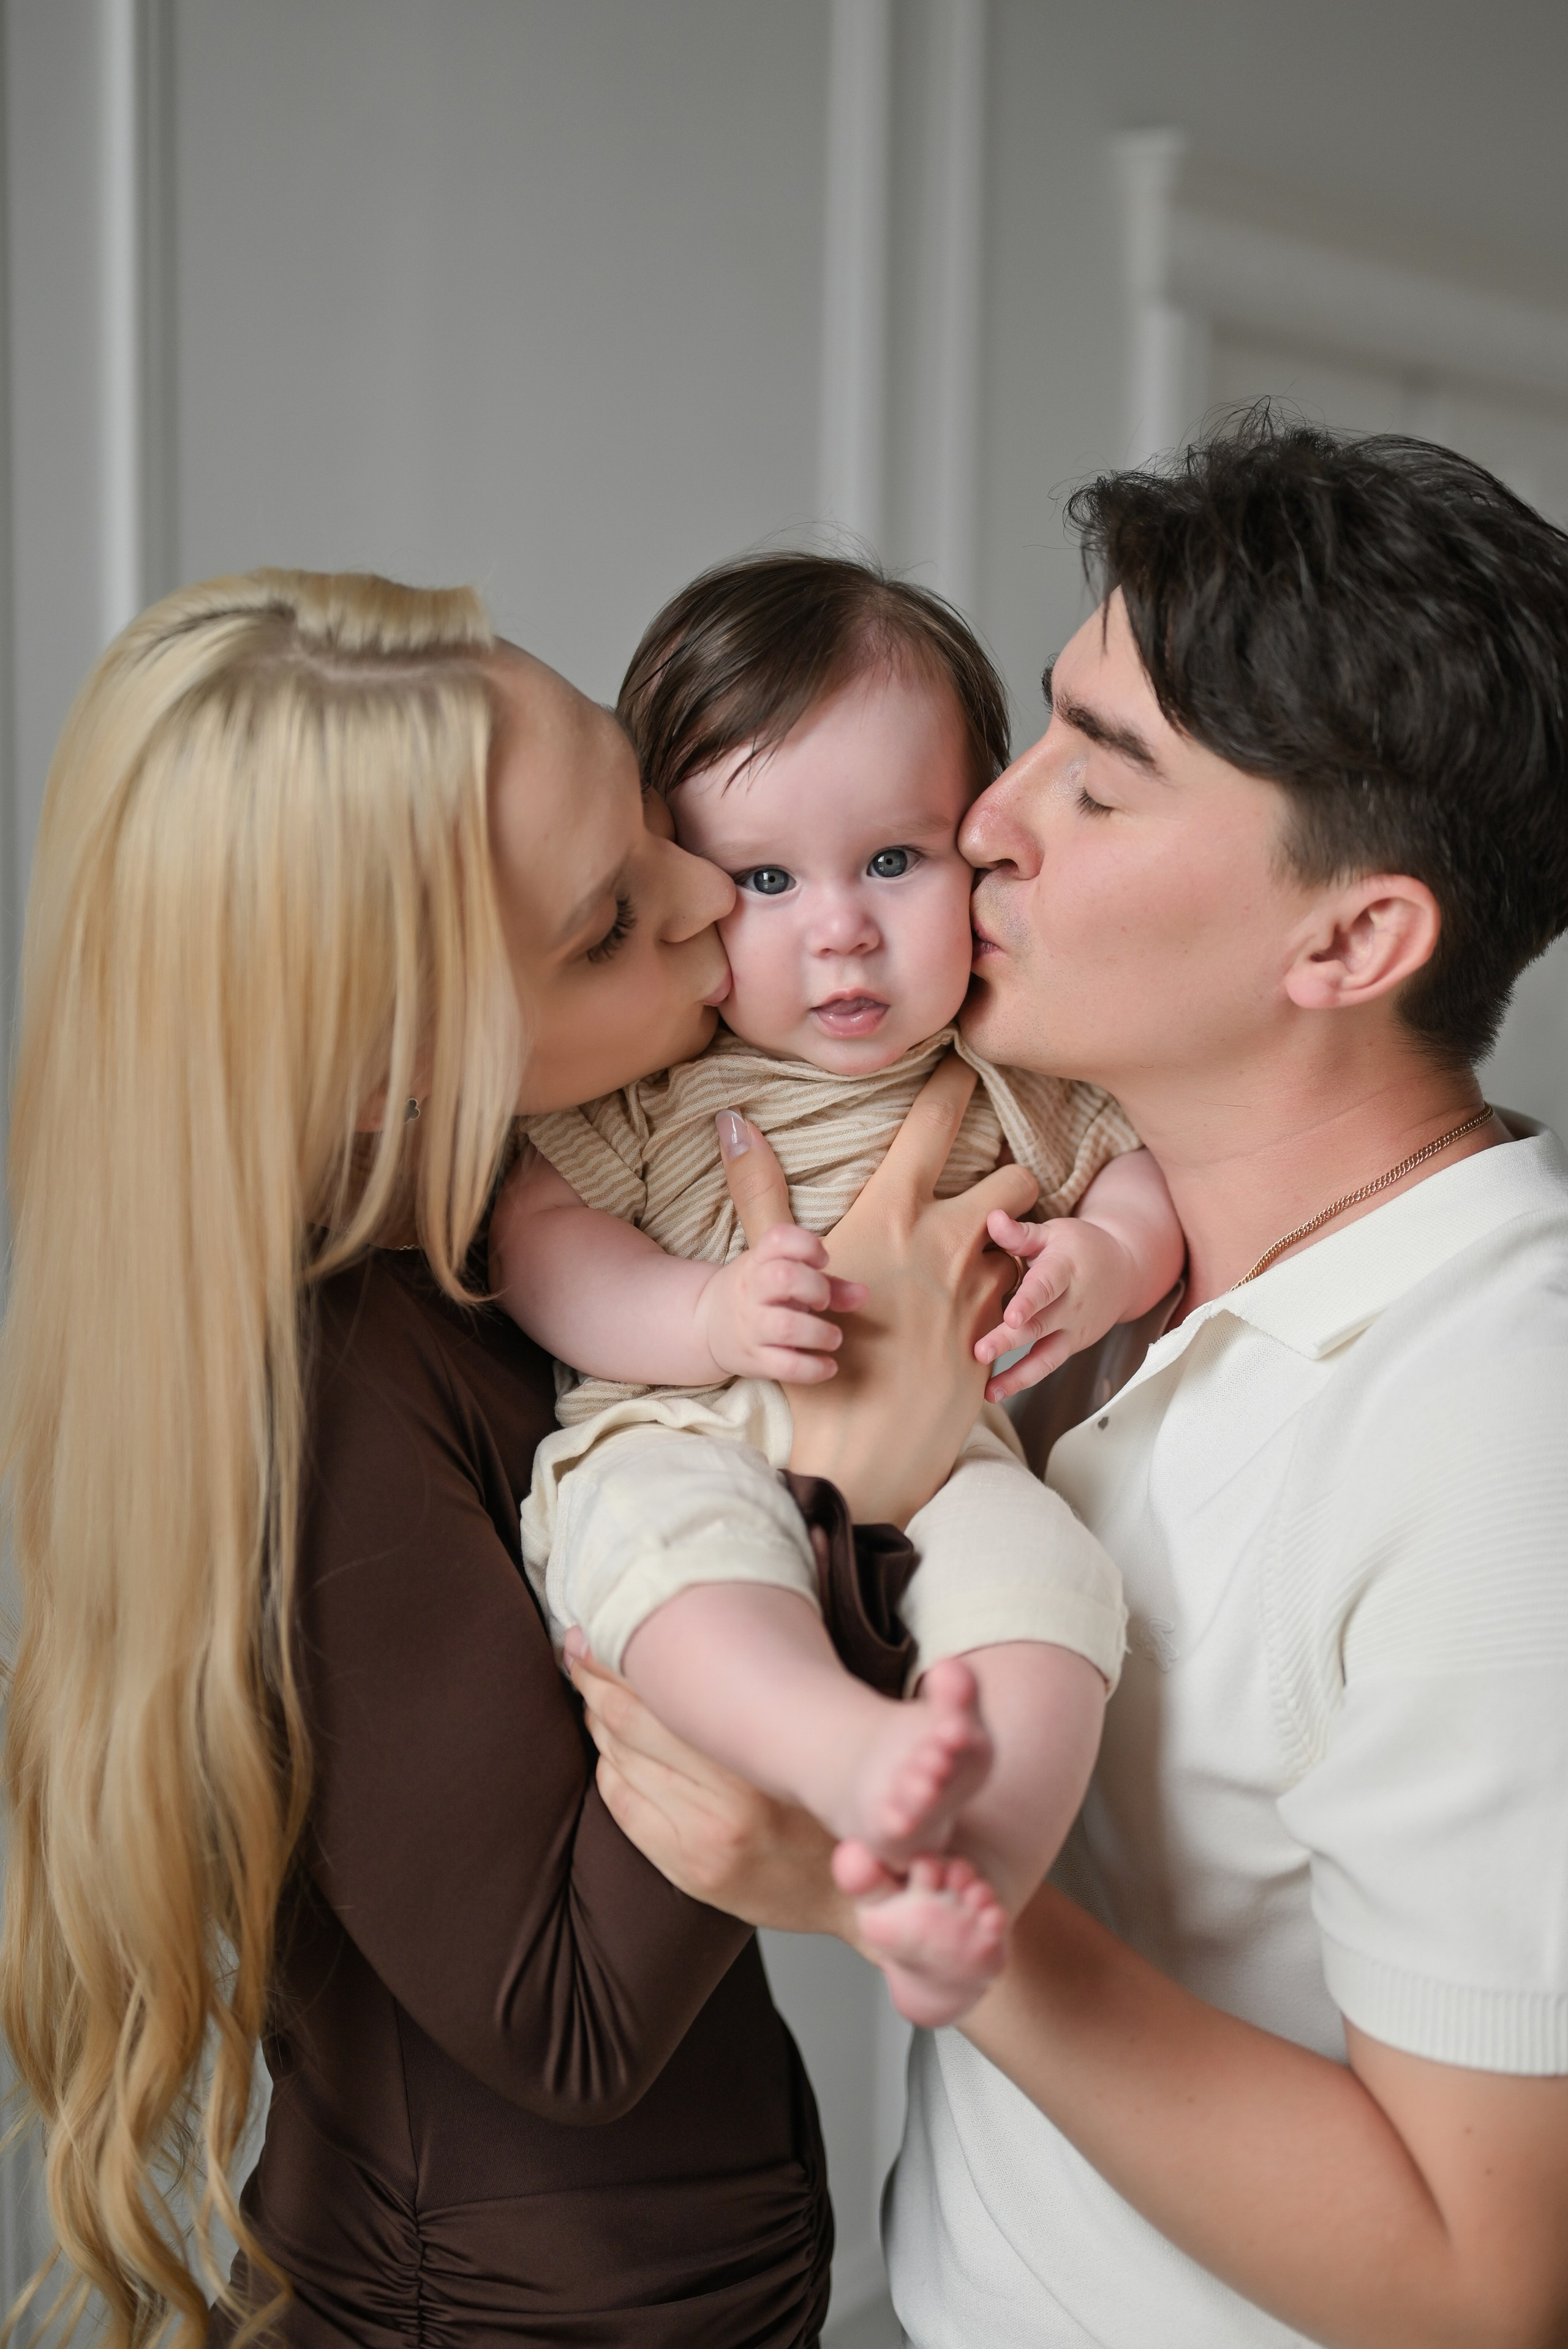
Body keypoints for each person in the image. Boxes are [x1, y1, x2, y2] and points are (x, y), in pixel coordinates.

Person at [574, 417, 1568, 2348]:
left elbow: (1480, 2283)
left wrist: (897, 1902)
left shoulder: (1502, 1428)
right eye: (1037, 730)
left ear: (1355, 935)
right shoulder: (1092, 1245)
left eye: (1100, 788)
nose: (987, 823)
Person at [0, 570, 1020, 2349]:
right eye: (614, 921)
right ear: (404, 1074)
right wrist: (846, 1488)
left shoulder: (551, 1221)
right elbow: (568, 2019)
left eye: (648, 809)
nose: (714, 892)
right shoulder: (334, 1384)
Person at [492, 556, 1182, 2026]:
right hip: (679, 1432)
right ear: (675, 878)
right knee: (669, 1552)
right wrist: (697, 1317)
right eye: (762, 879)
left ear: (976, 847)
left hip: (947, 1461)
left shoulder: (1011, 1067)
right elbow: (536, 1239)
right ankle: (838, 1754)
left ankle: (966, 1885)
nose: (841, 930)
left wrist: (1105, 1258)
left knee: (1055, 1582)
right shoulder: (660, 1074)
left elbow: (1140, 1178)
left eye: (892, 859)